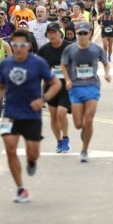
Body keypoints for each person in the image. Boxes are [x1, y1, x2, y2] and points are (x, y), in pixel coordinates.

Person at [0, 30, 61, 203]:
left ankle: (31, 162)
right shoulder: (5, 64)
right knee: (9, 149)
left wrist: (43, 99)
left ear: (29, 46)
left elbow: (56, 83)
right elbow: (0, 86)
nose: (18, 48)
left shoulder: (38, 63)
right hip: (10, 114)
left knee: (33, 153)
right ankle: (21, 189)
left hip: (31, 115)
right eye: (15, 45)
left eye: (22, 45)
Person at [60, 22, 111, 163]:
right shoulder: (70, 49)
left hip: (92, 87)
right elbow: (63, 65)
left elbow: (106, 62)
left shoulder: (96, 49)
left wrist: (106, 74)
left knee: (89, 120)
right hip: (76, 88)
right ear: (77, 34)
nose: (82, 36)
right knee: (78, 124)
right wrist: (67, 80)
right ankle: (84, 129)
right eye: (80, 33)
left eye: (85, 33)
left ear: (90, 34)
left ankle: (84, 150)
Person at [37, 23, 72, 153]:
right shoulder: (44, 50)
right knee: (53, 116)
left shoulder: (69, 47)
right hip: (50, 87)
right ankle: (59, 142)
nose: (51, 35)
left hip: (66, 86)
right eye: (49, 33)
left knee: (61, 112)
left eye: (54, 32)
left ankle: (66, 138)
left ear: (60, 33)